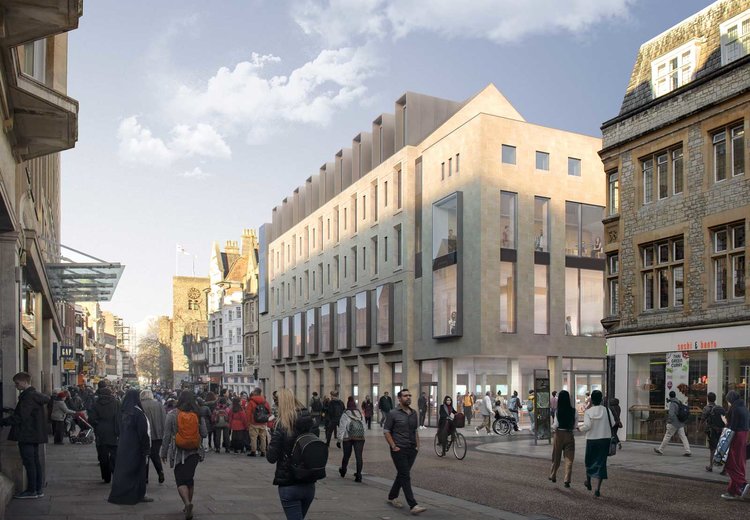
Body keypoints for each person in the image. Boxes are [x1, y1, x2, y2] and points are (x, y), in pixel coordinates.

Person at [267, 388, 317, 520]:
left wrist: (271, 436)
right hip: (309, 481)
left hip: (289, 482)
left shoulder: (281, 425)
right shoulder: (310, 421)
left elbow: (271, 457)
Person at [0, 372, 50, 499]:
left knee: (29, 463)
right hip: (34, 434)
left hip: (27, 434)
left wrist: (4, 421)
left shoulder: (28, 397)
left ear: (24, 382)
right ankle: (38, 489)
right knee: (35, 462)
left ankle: (31, 490)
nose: (16, 386)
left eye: (17, 383)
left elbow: (21, 416)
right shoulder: (35, 396)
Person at [160, 390, 206, 520]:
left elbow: (167, 435)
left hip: (178, 452)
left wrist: (163, 453)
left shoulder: (172, 414)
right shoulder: (198, 413)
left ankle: (187, 503)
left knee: (180, 480)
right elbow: (204, 433)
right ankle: (188, 505)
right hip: (194, 452)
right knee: (189, 479)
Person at [383, 389, 426, 515]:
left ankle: (392, 496)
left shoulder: (414, 413)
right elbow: (386, 431)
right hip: (399, 449)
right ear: (399, 398)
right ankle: (413, 505)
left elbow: (415, 431)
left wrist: (418, 445)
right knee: (405, 475)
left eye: (409, 395)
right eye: (405, 396)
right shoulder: (393, 413)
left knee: (402, 474)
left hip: (412, 449)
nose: (408, 397)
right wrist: (393, 446)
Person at [108, 389, 151, 504]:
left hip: (123, 445)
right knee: (138, 471)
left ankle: (121, 493)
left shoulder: (122, 411)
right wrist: (146, 448)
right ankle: (137, 494)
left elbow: (116, 428)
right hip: (136, 446)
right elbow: (143, 433)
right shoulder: (138, 413)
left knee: (123, 470)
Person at [579, 390, 615, 498]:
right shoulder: (607, 410)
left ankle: (588, 481)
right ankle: (597, 489)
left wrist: (579, 428)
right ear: (601, 399)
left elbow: (587, 426)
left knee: (589, 461)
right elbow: (613, 423)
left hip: (592, 439)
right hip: (605, 439)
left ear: (592, 400)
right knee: (601, 463)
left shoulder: (588, 412)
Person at [89, 381, 120, 484]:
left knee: (103, 455)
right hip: (113, 431)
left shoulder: (96, 404)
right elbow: (120, 417)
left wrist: (97, 425)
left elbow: (91, 419)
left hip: (101, 431)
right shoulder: (116, 403)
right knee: (114, 453)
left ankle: (106, 476)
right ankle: (114, 469)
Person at [721, 390, 749, 500]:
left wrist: (724, 421)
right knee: (739, 464)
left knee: (730, 464)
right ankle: (732, 491)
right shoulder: (744, 408)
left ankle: (742, 484)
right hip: (744, 437)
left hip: (736, 437)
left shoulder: (734, 409)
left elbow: (731, 427)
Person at [549, 390, 576, 487]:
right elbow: (575, 424)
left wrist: (551, 428)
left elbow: (555, 425)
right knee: (569, 459)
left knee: (556, 456)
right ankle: (567, 479)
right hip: (569, 435)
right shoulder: (574, 410)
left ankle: (553, 475)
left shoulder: (558, 411)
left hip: (559, 434)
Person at [653, 391, 691, 456]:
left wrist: (669, 421)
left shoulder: (672, 403)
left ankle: (661, 450)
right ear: (675, 395)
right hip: (680, 422)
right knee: (683, 437)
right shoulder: (679, 402)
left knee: (667, 435)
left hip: (673, 423)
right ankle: (688, 450)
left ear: (670, 396)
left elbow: (671, 414)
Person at [141, 389, 166, 484]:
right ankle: (160, 471)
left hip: (145, 434)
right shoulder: (159, 405)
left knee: (145, 455)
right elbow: (164, 418)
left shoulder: (140, 405)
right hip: (157, 434)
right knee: (155, 454)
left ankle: (145, 477)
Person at [338, 396, 366, 482]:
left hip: (347, 437)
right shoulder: (360, 413)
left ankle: (343, 470)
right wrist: (362, 435)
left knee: (346, 455)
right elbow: (364, 427)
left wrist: (339, 440)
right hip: (360, 438)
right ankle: (358, 475)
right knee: (359, 456)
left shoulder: (345, 414)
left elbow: (342, 428)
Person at [699, 392, 726, 472]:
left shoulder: (707, 408)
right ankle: (725, 468)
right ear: (715, 399)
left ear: (708, 398)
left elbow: (702, 419)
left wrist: (699, 429)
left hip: (712, 431)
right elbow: (724, 420)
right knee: (721, 448)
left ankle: (711, 466)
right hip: (720, 430)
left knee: (712, 449)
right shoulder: (719, 408)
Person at [246, 387, 272, 457]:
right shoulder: (265, 402)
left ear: (254, 393)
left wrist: (248, 423)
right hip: (263, 422)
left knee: (253, 438)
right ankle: (263, 451)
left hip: (254, 422)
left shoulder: (251, 402)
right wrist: (266, 419)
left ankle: (253, 451)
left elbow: (248, 413)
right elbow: (269, 412)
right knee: (263, 437)